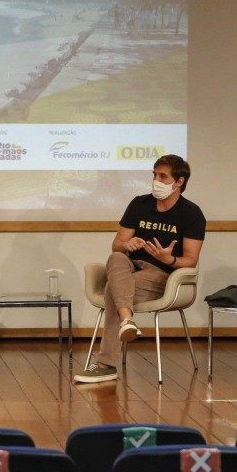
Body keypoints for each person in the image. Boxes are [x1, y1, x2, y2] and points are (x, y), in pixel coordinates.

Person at [75, 154, 206, 384]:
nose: (156, 180)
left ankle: (106, 364)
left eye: (162, 176)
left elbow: (191, 260)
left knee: (112, 290)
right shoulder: (139, 204)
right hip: (129, 266)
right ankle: (127, 320)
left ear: (179, 182)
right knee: (116, 256)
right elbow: (117, 244)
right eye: (154, 175)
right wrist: (127, 244)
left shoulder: (192, 213)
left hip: (161, 275)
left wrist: (169, 259)